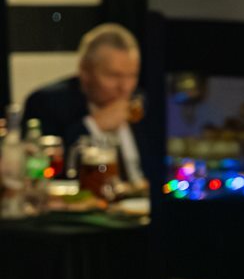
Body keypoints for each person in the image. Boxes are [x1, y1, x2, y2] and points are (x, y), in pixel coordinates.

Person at [23, 23, 152, 186]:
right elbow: (43, 169)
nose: (125, 87)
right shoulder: (46, 103)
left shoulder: (144, 102)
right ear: (84, 72)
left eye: (132, 75)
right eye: (113, 76)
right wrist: (94, 125)